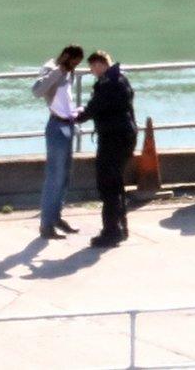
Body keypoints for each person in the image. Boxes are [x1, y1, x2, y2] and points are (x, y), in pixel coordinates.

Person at [75, 51, 138, 248]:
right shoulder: (120, 80)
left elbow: (94, 108)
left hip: (113, 137)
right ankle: (120, 227)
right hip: (124, 135)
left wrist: (70, 116)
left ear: (102, 64)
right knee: (116, 182)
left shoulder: (109, 84)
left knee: (108, 184)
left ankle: (111, 231)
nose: (92, 71)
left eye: (93, 67)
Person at [31, 44, 84, 240]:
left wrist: (75, 111)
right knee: (54, 177)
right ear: (65, 56)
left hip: (68, 124)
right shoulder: (51, 68)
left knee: (65, 176)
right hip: (56, 127)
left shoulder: (69, 73)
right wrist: (58, 71)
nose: (74, 66)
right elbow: (37, 91)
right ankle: (46, 225)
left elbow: (64, 99)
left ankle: (56, 217)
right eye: (73, 62)